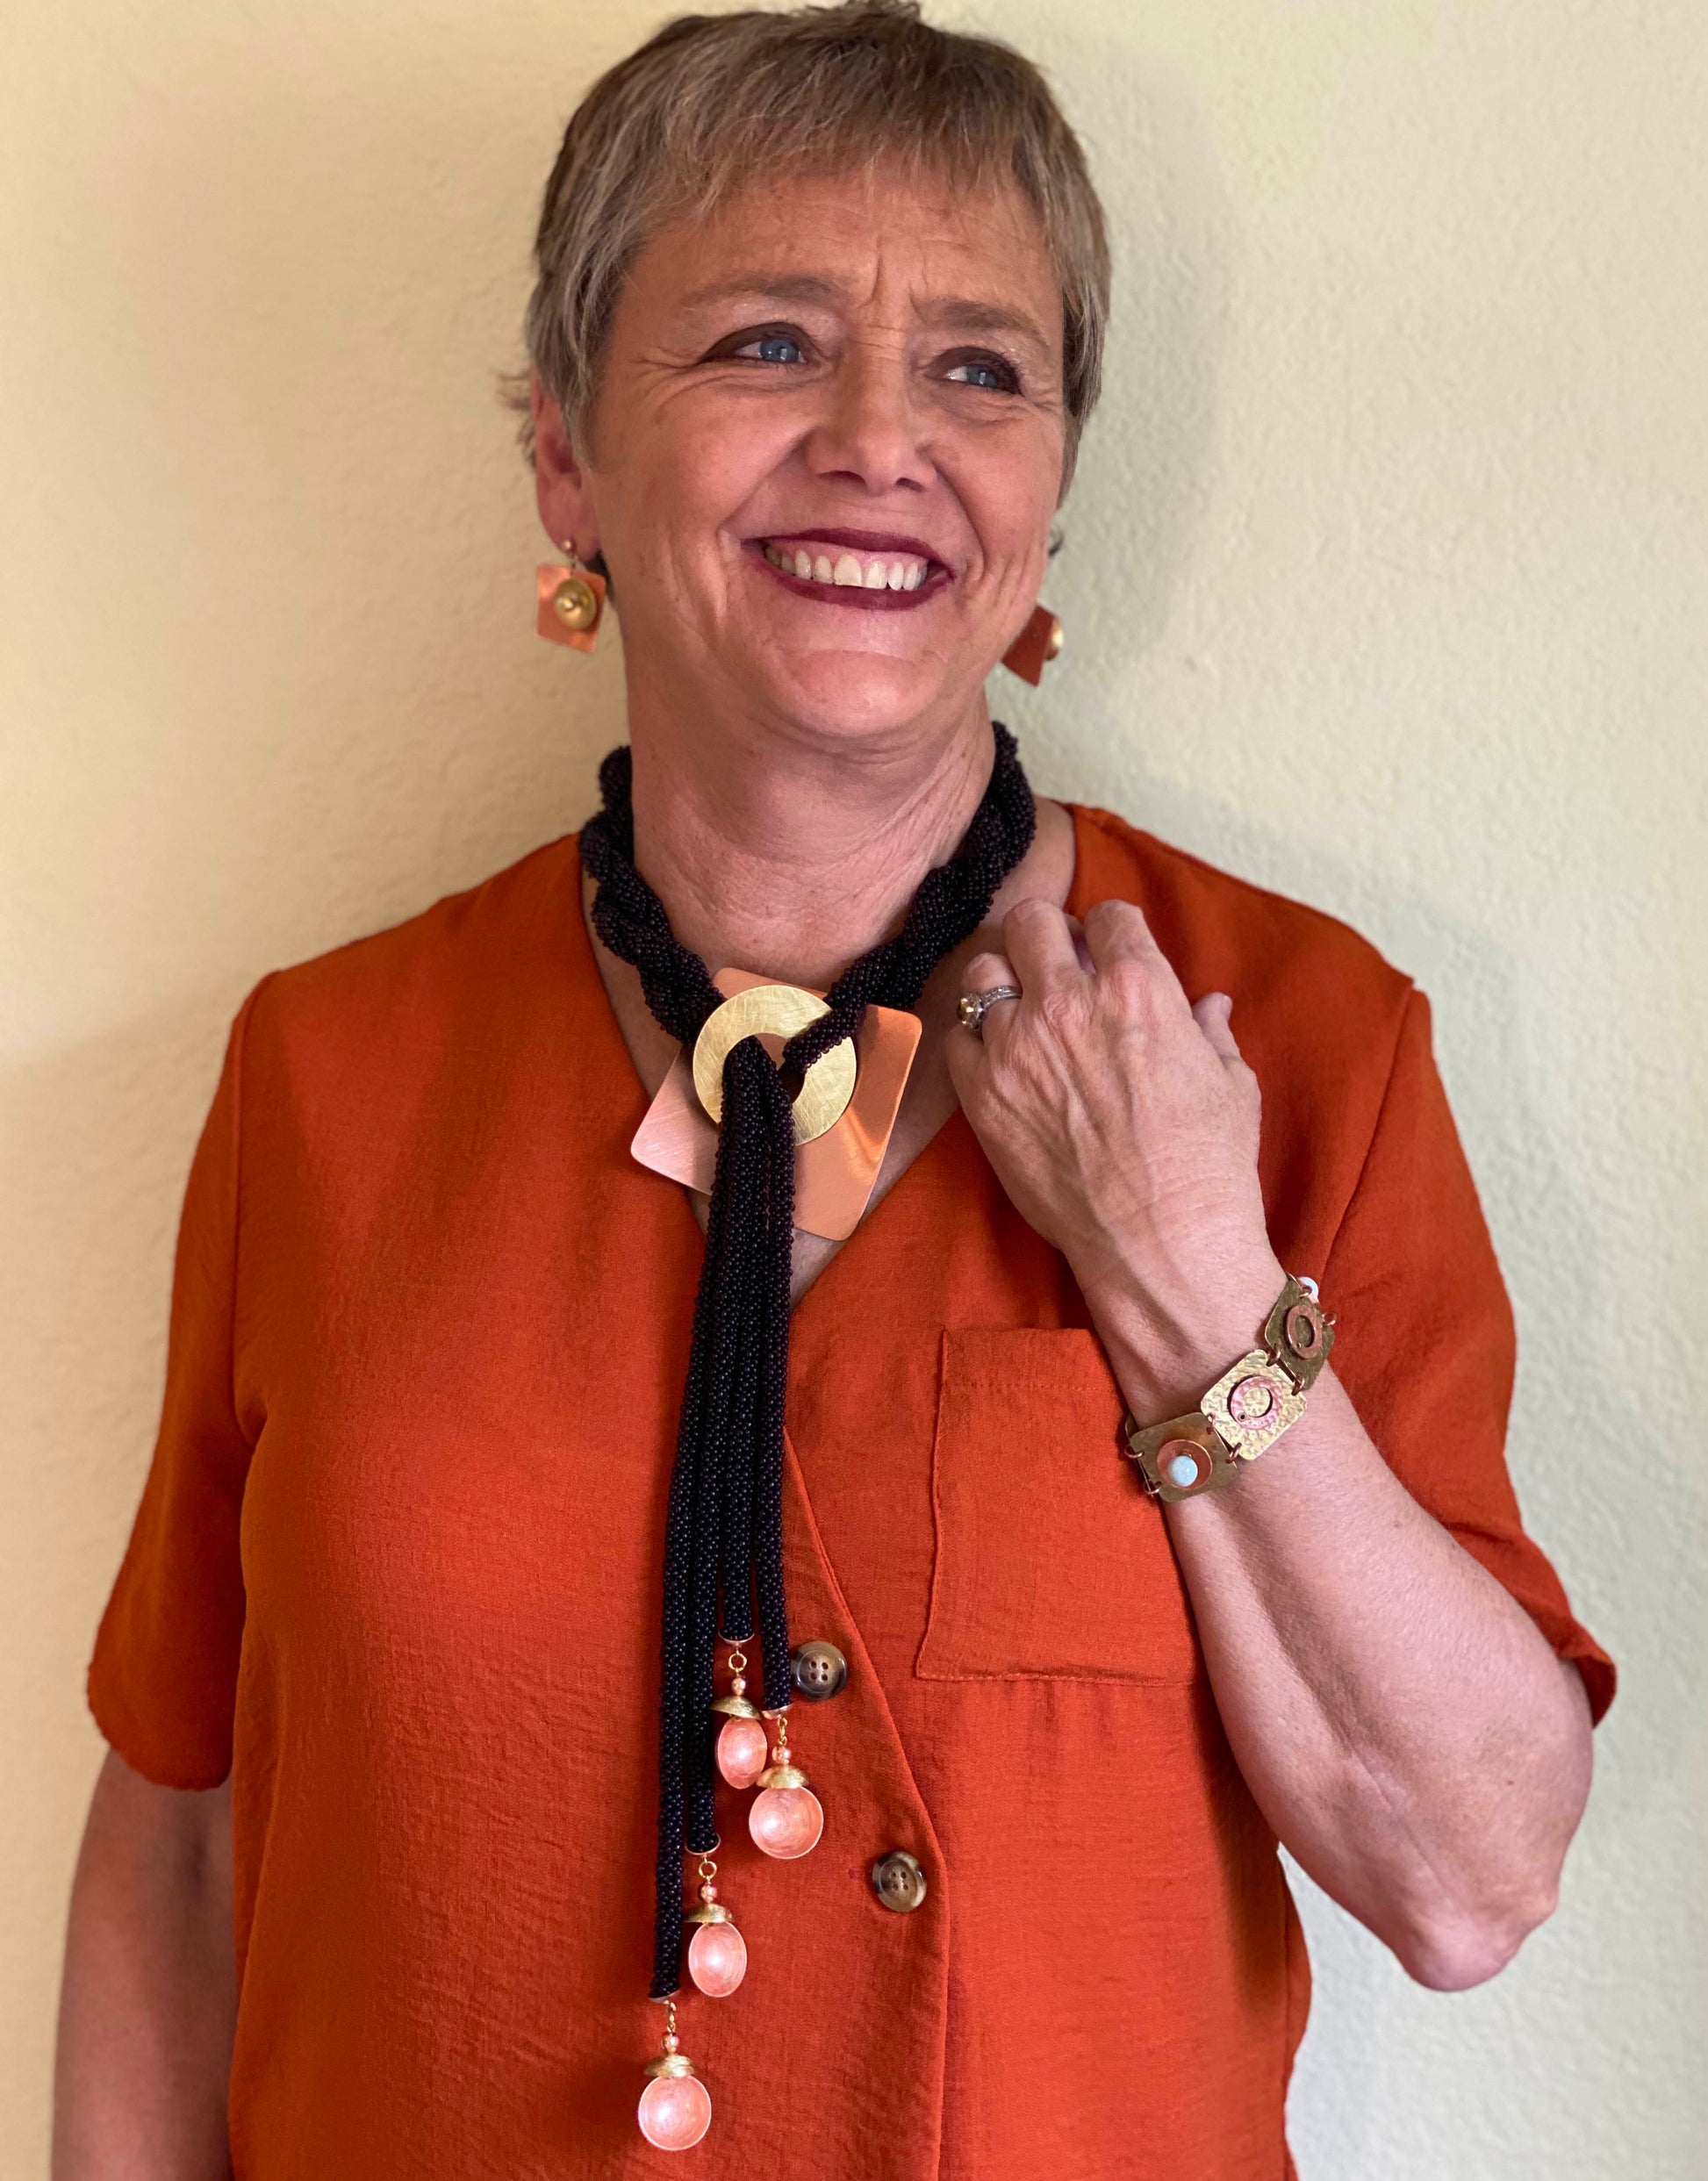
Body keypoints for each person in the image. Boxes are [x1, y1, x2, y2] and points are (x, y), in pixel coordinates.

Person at [53, 4, 1612, 2177]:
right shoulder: (327, 1077)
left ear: (1049, 491)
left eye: (981, 368)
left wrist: (1180, 1266)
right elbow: (182, 1829)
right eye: (766, 343)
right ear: (566, 457)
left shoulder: (1292, 1037)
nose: (883, 438)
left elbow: (1469, 1881)